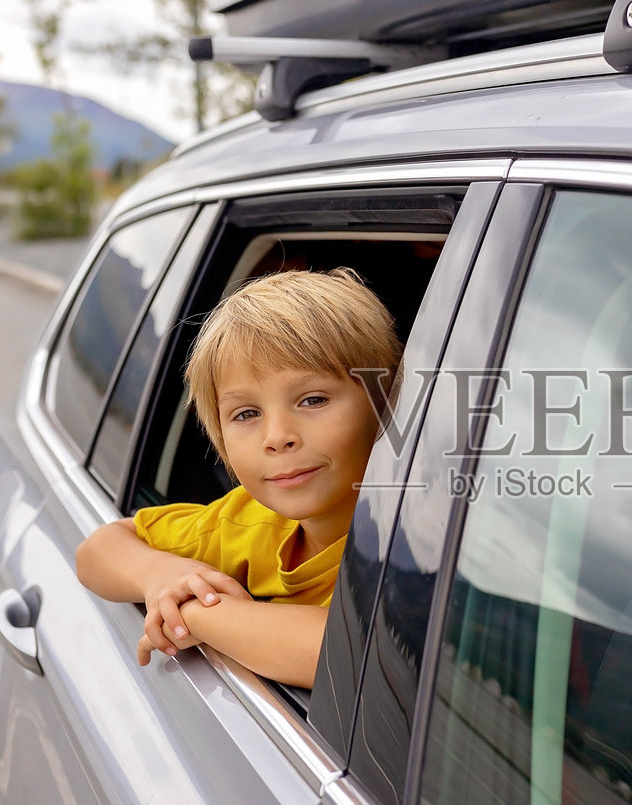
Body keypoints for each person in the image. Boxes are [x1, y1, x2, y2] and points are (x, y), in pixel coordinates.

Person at [74, 267, 402, 687]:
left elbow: (358, 658)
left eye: (313, 399)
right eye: (246, 413)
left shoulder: (409, 544)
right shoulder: (245, 521)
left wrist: (196, 611)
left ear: (386, 407)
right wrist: (159, 576)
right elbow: (96, 551)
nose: (278, 437)